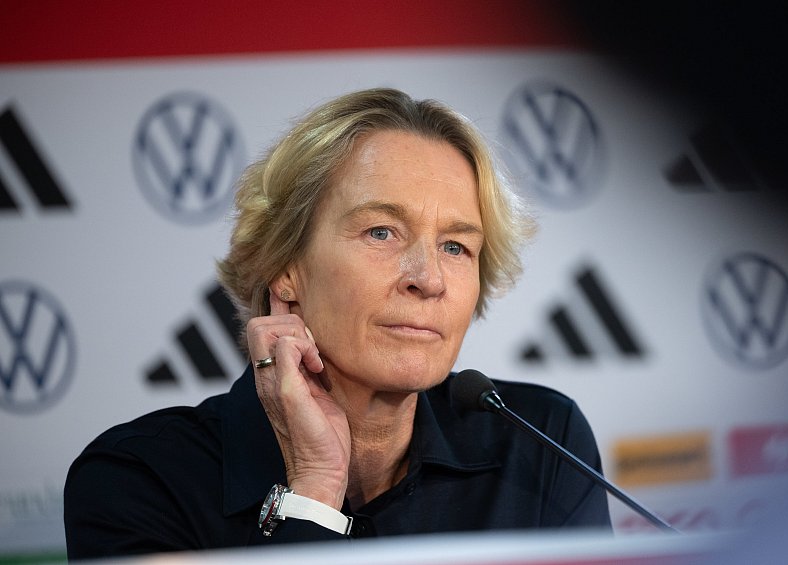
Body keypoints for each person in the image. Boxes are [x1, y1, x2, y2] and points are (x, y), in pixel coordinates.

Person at [63, 88, 612, 559]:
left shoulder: (542, 442)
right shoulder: (139, 480)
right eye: (381, 232)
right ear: (285, 268)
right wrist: (315, 488)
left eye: (455, 246)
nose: (429, 279)